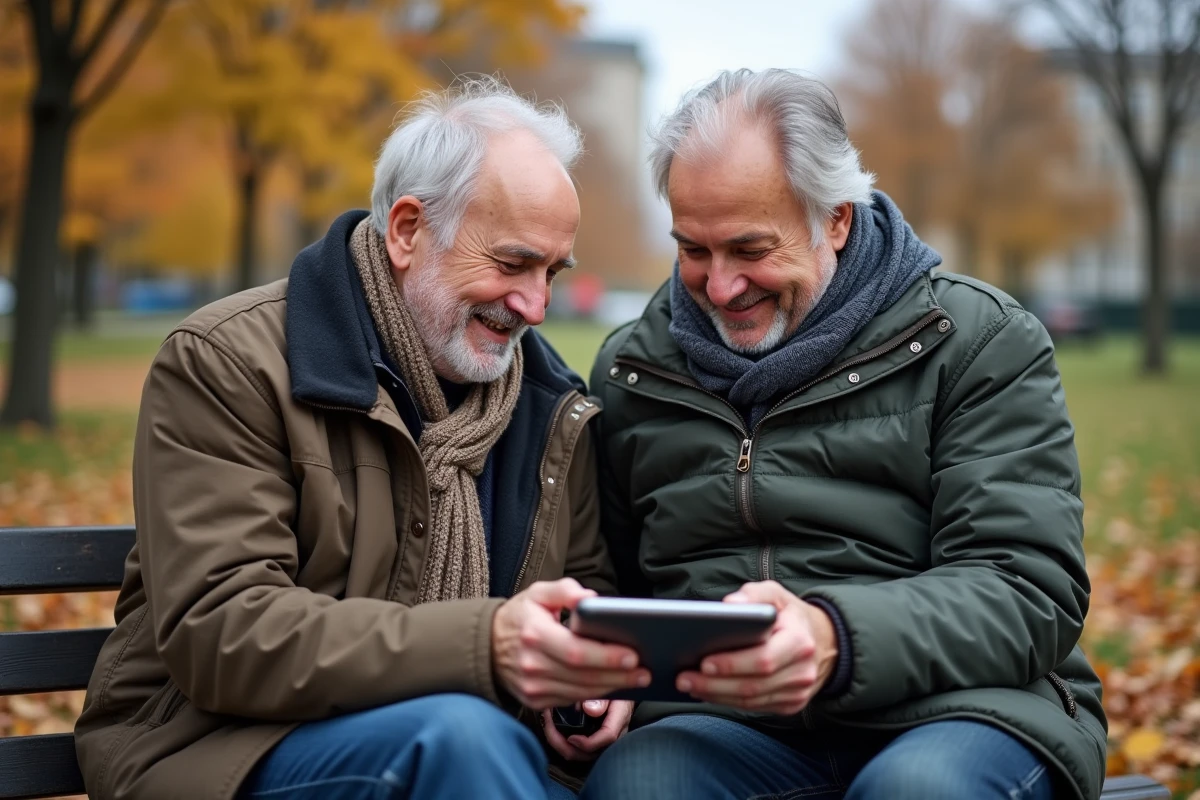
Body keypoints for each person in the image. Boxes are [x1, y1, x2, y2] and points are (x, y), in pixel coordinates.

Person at [74, 77, 645, 800]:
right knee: (459, 739)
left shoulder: (550, 404)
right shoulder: (228, 361)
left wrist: (590, 682)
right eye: (510, 264)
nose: (536, 305)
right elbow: (223, 635)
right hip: (220, 750)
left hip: (488, 759)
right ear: (407, 231)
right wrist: (487, 643)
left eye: (552, 272)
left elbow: (583, 590)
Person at [583, 68, 1107, 800]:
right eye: (694, 250)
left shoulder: (979, 341)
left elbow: (1027, 587)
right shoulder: (632, 369)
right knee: (640, 783)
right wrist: (603, 670)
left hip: (960, 714)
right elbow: (606, 578)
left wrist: (834, 637)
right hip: (720, 723)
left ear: (835, 217)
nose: (721, 286)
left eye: (750, 249)